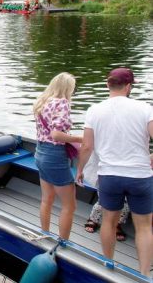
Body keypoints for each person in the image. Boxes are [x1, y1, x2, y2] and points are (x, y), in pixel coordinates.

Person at [76, 68, 152, 276]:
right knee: (144, 227)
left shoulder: (94, 110)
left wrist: (80, 170)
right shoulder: (145, 108)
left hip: (109, 175)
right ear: (129, 87)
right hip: (140, 175)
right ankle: (145, 274)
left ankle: (109, 265)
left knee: (108, 221)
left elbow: (86, 147)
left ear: (108, 85)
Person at [33, 72, 81, 240]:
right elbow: (56, 135)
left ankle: (44, 234)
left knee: (47, 199)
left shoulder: (42, 101)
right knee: (70, 206)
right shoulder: (62, 103)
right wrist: (81, 138)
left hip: (40, 152)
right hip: (54, 156)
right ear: (68, 88)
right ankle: (63, 243)